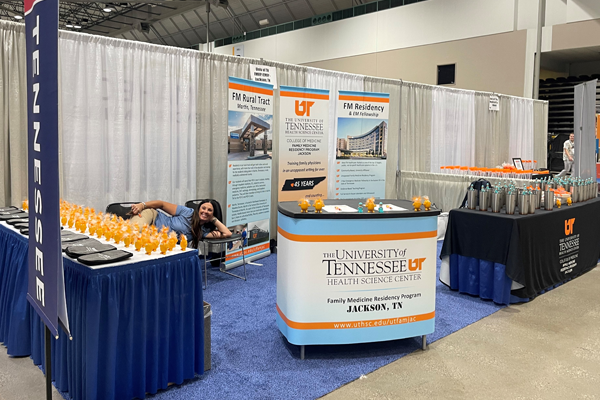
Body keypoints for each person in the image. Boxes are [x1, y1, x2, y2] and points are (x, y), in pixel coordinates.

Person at [129, 199, 231, 249]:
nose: (205, 211)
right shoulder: (188, 212)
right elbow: (161, 204)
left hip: (156, 239)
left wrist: (213, 219)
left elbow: (227, 233)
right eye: (203, 208)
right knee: (134, 234)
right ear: (199, 209)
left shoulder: (202, 231)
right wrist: (142, 205)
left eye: (209, 210)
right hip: (152, 218)